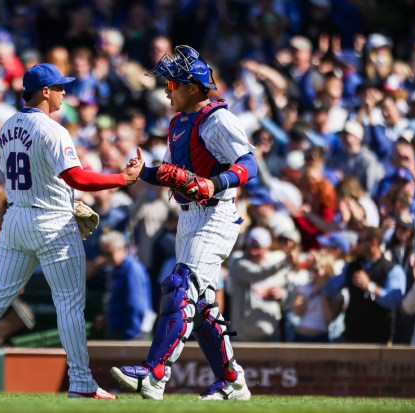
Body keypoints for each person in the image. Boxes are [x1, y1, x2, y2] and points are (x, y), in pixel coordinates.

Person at [0, 63, 144, 399]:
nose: (64, 92)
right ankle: (81, 382)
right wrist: (122, 179)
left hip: (16, 216)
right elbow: (76, 177)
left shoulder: (6, 126)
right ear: (44, 91)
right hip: (51, 222)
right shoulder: (53, 130)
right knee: (70, 303)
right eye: (60, 87)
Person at [111, 45, 256, 401]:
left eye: (173, 84)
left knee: (180, 285)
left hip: (215, 212)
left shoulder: (217, 119)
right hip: (188, 217)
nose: (166, 90)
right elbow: (173, 174)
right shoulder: (178, 122)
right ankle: (232, 380)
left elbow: (248, 164)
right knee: (203, 305)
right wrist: (143, 172)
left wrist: (215, 182)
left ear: (193, 87)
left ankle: (155, 373)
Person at [322, 227, 406, 343]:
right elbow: (329, 288)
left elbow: (394, 300)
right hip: (351, 338)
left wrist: (369, 287)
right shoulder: (352, 267)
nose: (356, 245)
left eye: (360, 241)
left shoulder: (392, 270)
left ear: (373, 243)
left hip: (379, 343)